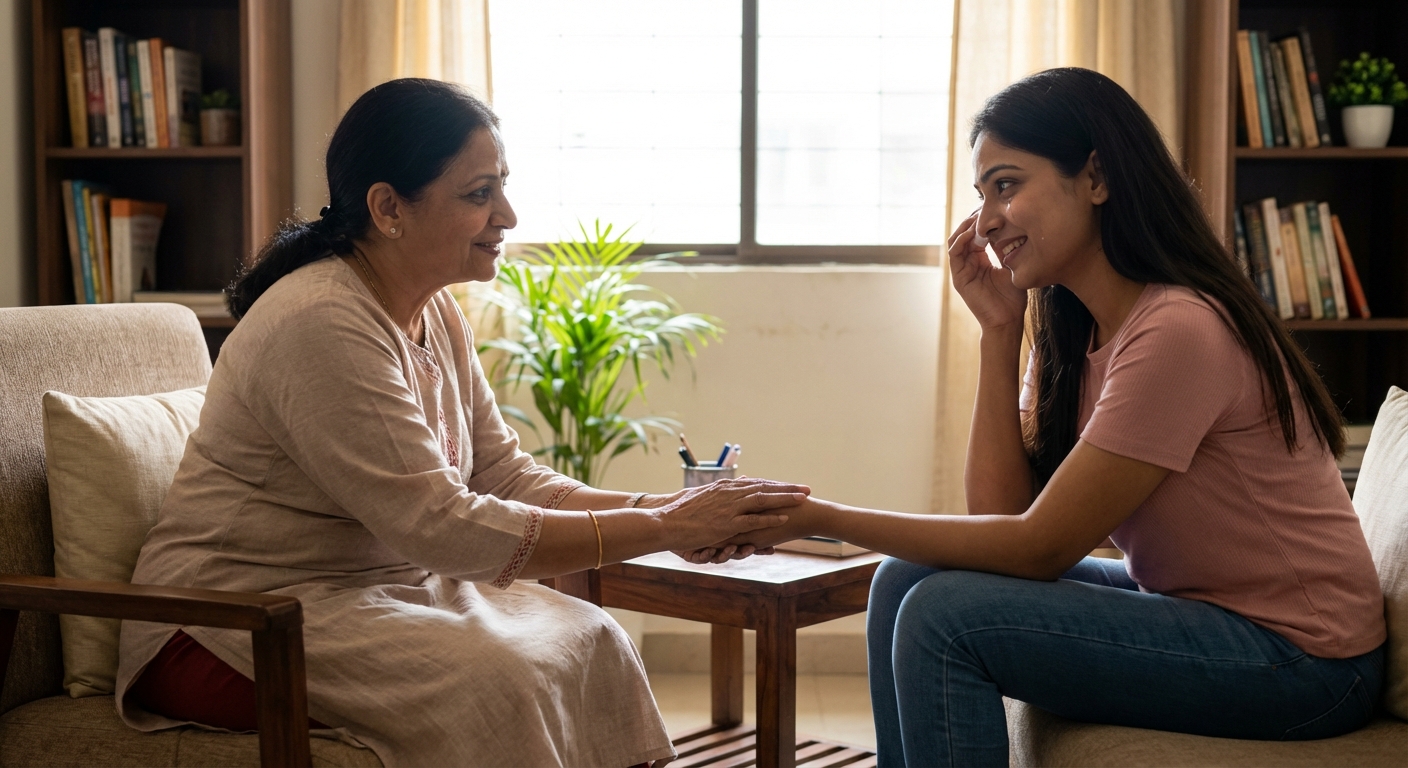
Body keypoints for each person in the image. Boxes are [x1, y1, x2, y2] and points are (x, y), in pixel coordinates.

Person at [695, 68, 1386, 766]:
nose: (985, 220)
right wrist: (999, 332)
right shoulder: (1073, 332)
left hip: (1307, 659)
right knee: (903, 578)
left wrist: (821, 517)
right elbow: (999, 517)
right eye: (981, 194)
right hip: (1200, 610)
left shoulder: (1179, 329)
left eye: (1006, 184)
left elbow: (1038, 548)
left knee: (945, 617)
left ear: (1096, 177)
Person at [115, 78, 807, 768]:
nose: (506, 214)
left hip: (377, 591)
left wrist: (670, 507)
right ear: (388, 208)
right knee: (500, 684)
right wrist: (666, 529)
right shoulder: (319, 321)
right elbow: (440, 526)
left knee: (594, 638)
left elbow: (503, 473)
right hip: (232, 621)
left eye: (502, 186)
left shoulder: (435, 310)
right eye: (480, 194)